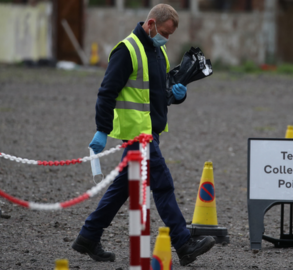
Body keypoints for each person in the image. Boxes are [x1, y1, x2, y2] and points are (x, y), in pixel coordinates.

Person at [71, 4, 215, 266]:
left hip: (151, 132)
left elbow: (158, 93)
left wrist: (177, 95)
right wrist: (102, 130)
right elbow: (106, 93)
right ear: (150, 24)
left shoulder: (158, 50)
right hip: (138, 135)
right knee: (162, 184)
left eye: (170, 35)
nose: (166, 39)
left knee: (122, 188)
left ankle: (88, 236)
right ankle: (184, 243)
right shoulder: (126, 50)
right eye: (165, 33)